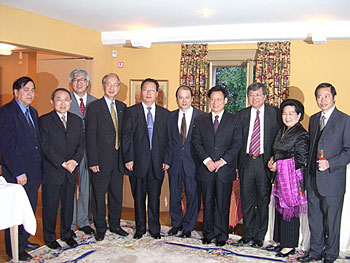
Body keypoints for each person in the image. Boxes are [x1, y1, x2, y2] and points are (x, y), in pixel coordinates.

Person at [298, 83, 350, 263]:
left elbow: (348, 151)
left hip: (332, 180)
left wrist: (330, 163)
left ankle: (330, 254)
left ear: (334, 97)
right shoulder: (313, 119)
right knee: (315, 219)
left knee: (332, 221)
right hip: (312, 179)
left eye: (326, 96)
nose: (323, 100)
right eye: (319, 96)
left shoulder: (345, 120)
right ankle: (315, 252)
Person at [192, 85, 242, 246]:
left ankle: (221, 235)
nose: (215, 102)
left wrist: (222, 161)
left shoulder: (233, 120)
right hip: (206, 169)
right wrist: (207, 160)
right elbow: (196, 143)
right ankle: (207, 233)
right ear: (208, 101)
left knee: (222, 204)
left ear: (225, 101)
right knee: (206, 203)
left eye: (219, 99)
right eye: (212, 99)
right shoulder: (200, 120)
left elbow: (236, 144)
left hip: (224, 169)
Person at [122, 78, 171, 240]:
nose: (148, 93)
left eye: (152, 90)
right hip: (137, 163)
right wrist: (128, 158)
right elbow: (126, 137)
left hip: (157, 163)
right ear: (140, 92)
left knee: (154, 199)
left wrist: (167, 159)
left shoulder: (165, 114)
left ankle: (155, 229)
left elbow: (168, 140)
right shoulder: (131, 111)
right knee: (139, 198)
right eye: (145, 90)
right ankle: (140, 229)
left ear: (157, 93)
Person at [0, 76, 43, 261]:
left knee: (29, 208)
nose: (30, 93)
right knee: (16, 211)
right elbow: (7, 146)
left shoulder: (32, 112)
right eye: (26, 89)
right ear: (16, 92)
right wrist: (18, 171)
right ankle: (14, 249)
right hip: (18, 173)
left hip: (33, 170)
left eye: (32, 89)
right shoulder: (6, 112)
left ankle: (24, 241)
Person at [236, 82, 281, 247]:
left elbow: (280, 139)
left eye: (257, 95)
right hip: (246, 162)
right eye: (251, 95)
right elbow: (236, 142)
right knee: (246, 200)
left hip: (264, 163)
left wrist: (275, 159)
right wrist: (236, 166)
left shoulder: (275, 114)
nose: (254, 98)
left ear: (265, 96)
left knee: (262, 201)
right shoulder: (241, 115)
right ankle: (247, 234)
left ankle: (259, 236)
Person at [39, 88, 85, 249]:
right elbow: (45, 147)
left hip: (71, 171)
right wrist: (62, 163)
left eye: (66, 99)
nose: (63, 103)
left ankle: (67, 233)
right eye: (59, 99)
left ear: (71, 102)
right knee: (50, 205)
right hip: (53, 170)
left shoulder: (76, 120)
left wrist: (75, 161)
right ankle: (50, 237)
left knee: (68, 204)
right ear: (52, 102)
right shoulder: (44, 120)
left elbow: (81, 145)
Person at [85, 73, 127, 241]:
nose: (111, 87)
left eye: (115, 84)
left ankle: (115, 225)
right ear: (103, 86)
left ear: (118, 87)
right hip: (100, 161)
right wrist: (93, 160)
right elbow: (90, 136)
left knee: (117, 194)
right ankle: (100, 227)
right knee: (99, 195)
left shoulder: (123, 107)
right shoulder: (94, 107)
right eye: (108, 84)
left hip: (118, 160)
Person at [267, 99, 309, 257]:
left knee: (289, 211)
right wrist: (273, 160)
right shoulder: (282, 130)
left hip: (292, 178)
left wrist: (280, 165)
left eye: (291, 113)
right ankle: (280, 240)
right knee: (280, 209)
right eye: (285, 113)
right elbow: (278, 151)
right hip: (280, 177)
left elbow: (301, 159)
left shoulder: (301, 134)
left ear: (299, 115)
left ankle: (289, 245)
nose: (287, 116)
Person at [167, 85, 204, 238]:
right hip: (174, 162)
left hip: (193, 163)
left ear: (192, 99)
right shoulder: (170, 116)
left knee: (192, 195)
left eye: (187, 97)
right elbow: (166, 141)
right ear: (177, 99)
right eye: (180, 97)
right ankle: (176, 224)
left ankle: (188, 226)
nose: (184, 100)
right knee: (174, 195)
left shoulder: (201, 117)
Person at [68, 69, 97, 236]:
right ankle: (70, 224)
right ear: (71, 83)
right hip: (71, 152)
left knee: (86, 187)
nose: (79, 82)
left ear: (88, 83)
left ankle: (84, 221)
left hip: (89, 150)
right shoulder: (65, 100)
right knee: (70, 189)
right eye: (75, 80)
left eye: (82, 80)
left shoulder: (95, 102)